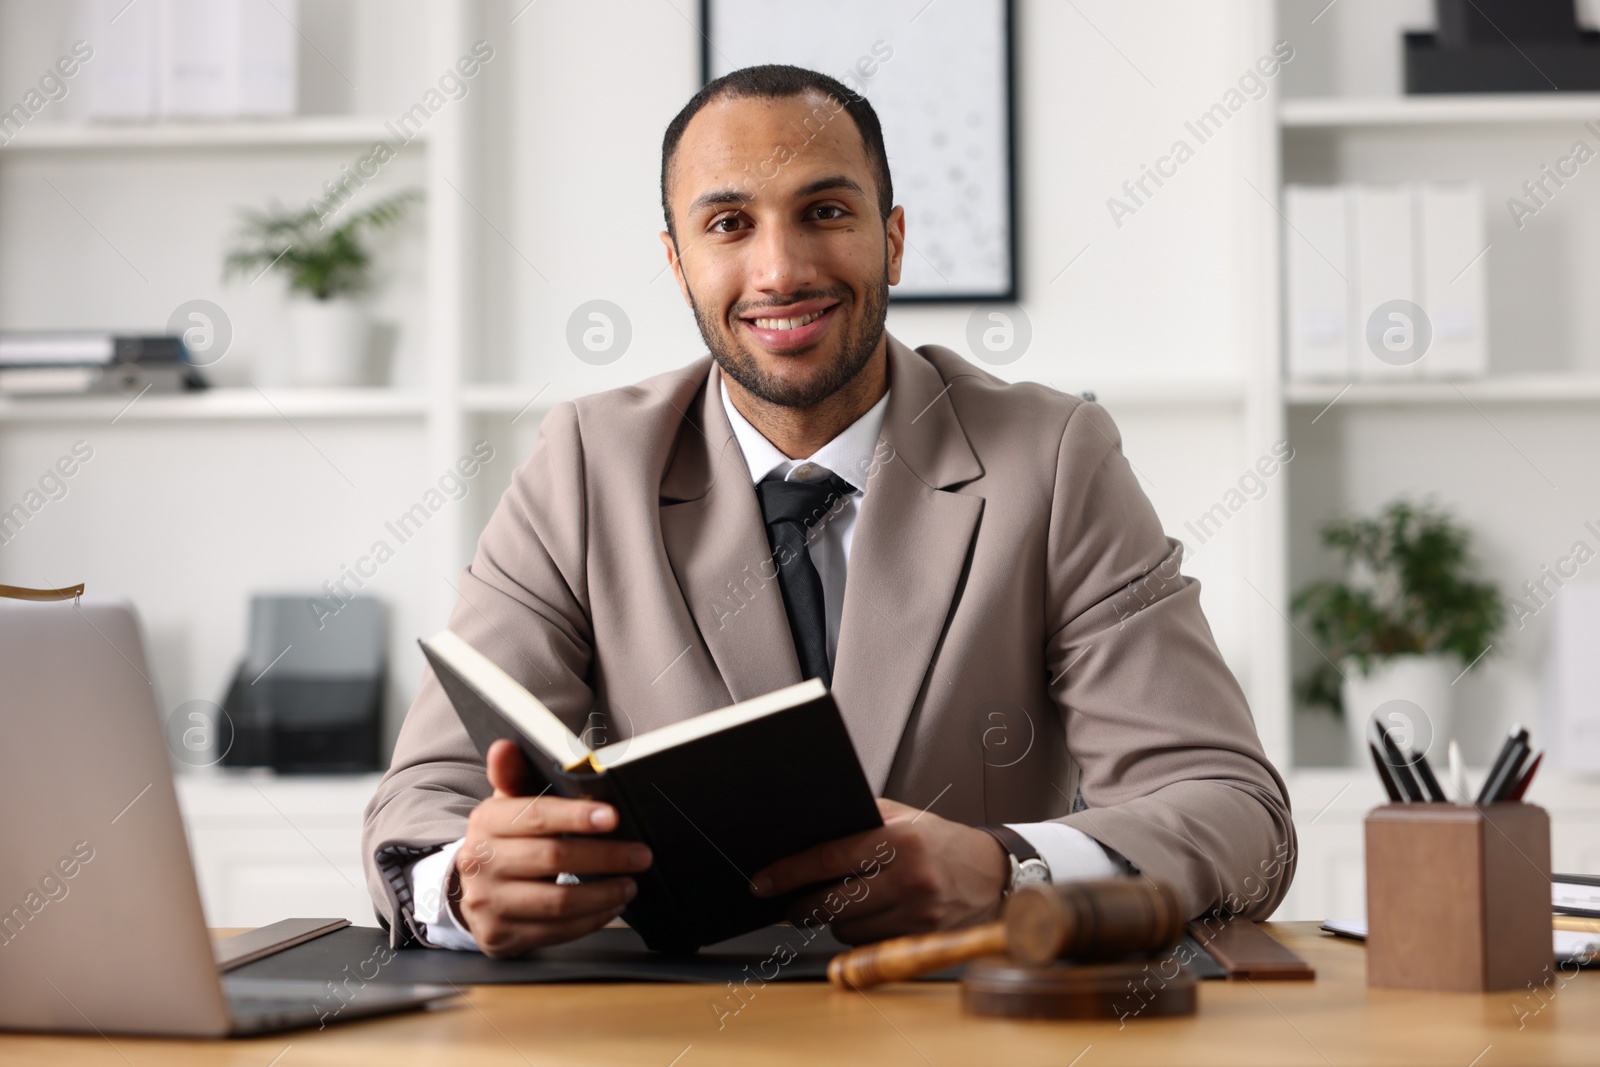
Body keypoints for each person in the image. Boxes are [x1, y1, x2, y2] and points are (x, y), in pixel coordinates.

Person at [362, 64, 1294, 957]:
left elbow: (1234, 809)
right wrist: (462, 882)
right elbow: (423, 800)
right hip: (668, 1031)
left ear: (890, 238)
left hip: (963, 1019)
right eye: (729, 223)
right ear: (678, 264)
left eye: (825, 212)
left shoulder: (1054, 459)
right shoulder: (583, 464)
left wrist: (1011, 870)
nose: (780, 270)